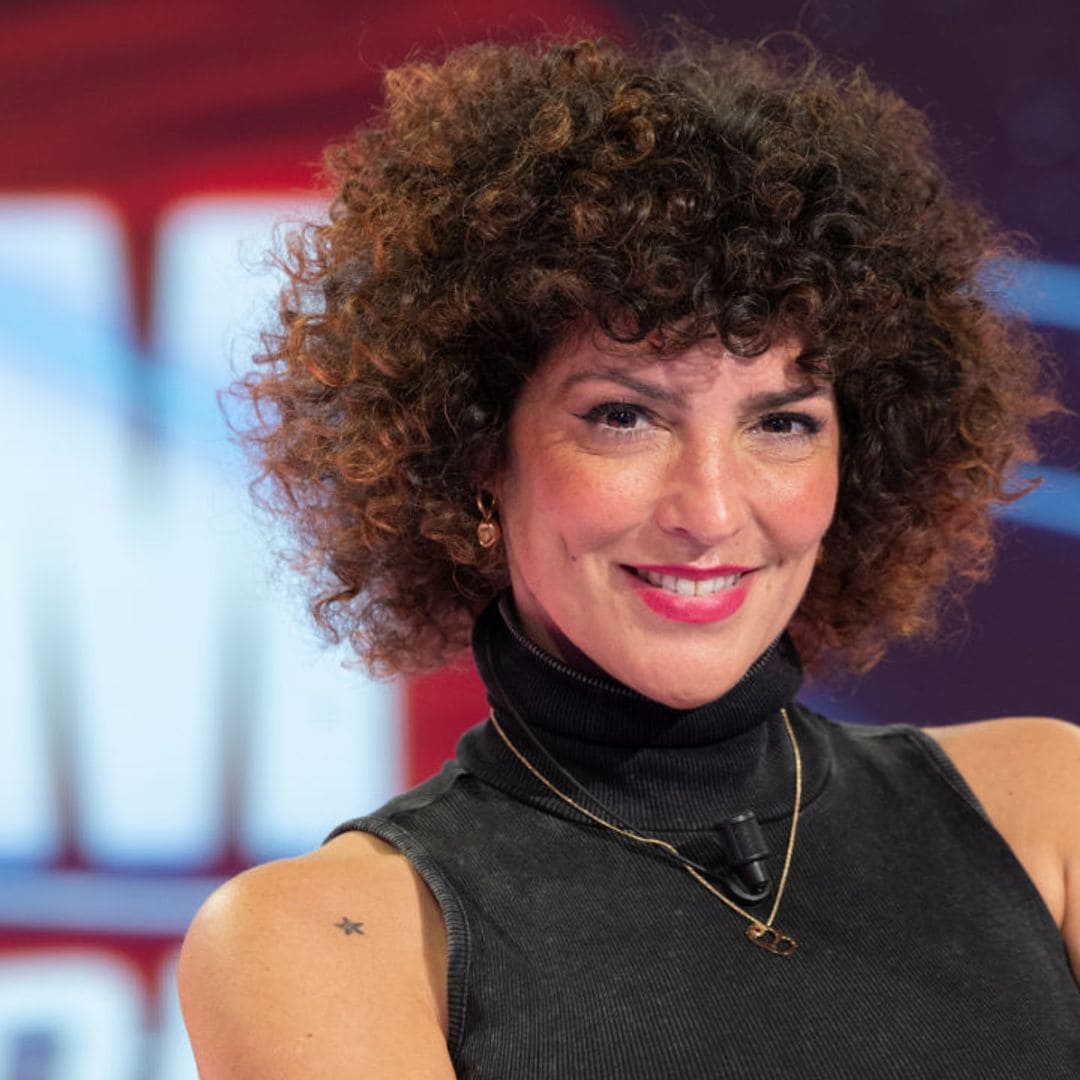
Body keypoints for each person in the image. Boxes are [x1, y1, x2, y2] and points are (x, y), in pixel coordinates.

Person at [178, 30, 1080, 1077]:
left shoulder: (1044, 811)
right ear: (477, 452)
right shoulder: (331, 937)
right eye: (624, 417)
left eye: (782, 423)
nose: (711, 509)